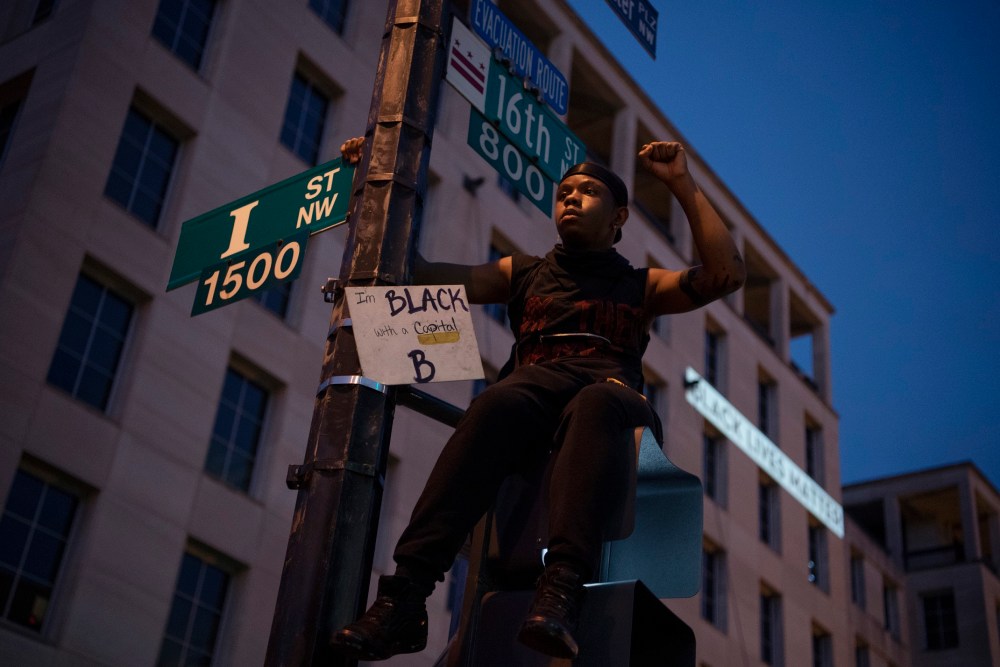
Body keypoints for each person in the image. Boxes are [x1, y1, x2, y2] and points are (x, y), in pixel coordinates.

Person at [331, 136, 745, 661]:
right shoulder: (523, 273)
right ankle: (405, 599)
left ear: (618, 218)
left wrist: (681, 183)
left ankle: (562, 591)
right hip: (534, 393)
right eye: (564, 192)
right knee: (494, 403)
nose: (570, 198)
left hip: (612, 400)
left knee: (594, 402)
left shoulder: (641, 285)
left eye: (588, 192)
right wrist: (365, 184)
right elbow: (415, 273)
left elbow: (725, 275)